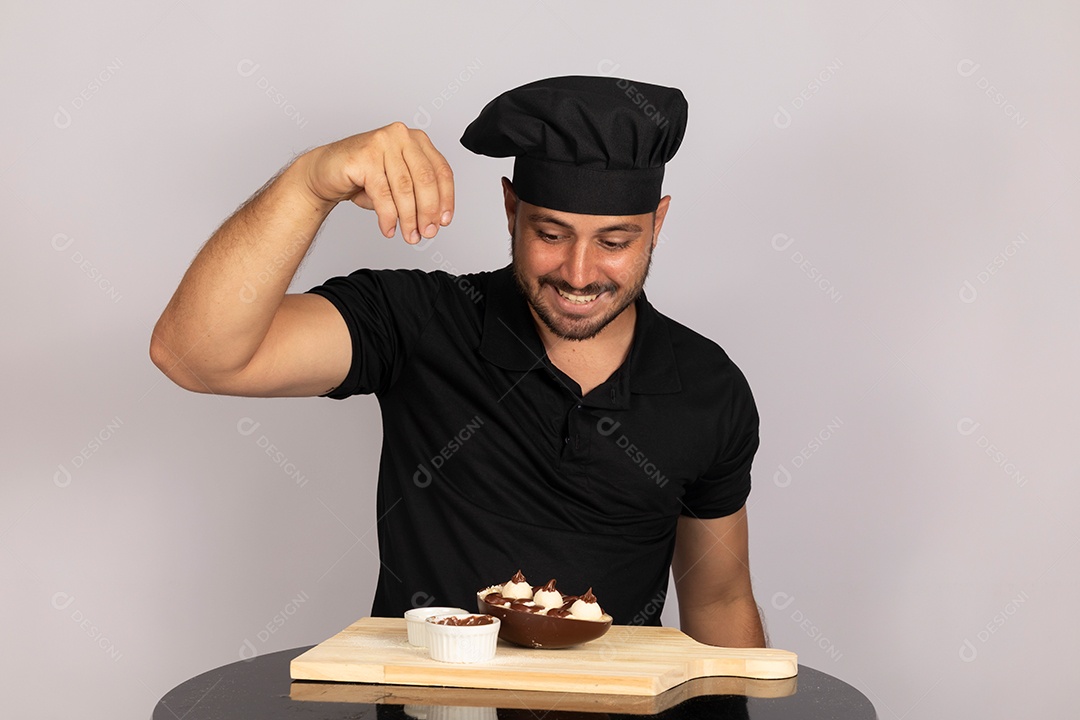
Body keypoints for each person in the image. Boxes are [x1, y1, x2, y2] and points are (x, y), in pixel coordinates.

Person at [150, 76, 766, 648]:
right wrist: (310, 183)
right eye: (550, 234)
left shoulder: (709, 387)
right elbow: (195, 356)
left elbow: (719, 599)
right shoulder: (418, 321)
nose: (579, 274)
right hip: (424, 708)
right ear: (510, 210)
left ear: (656, 224)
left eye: (614, 242)